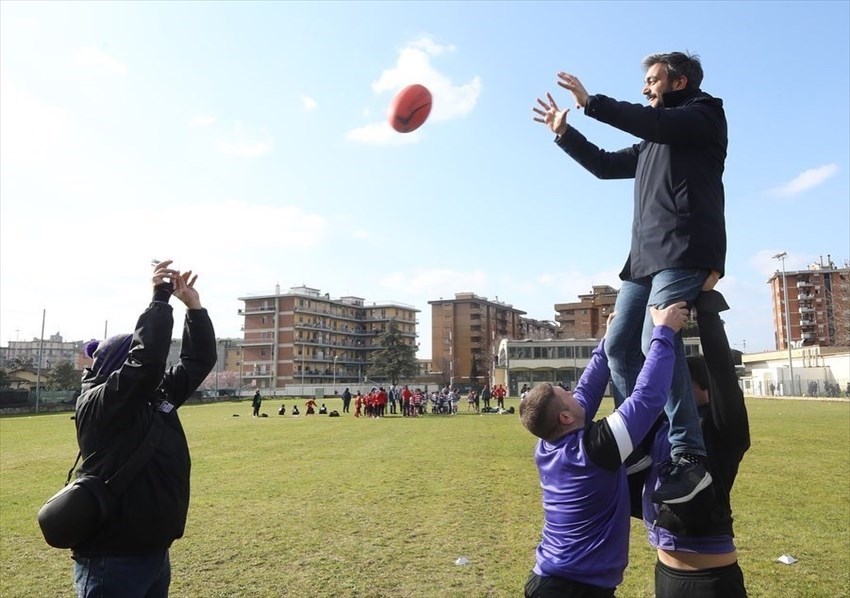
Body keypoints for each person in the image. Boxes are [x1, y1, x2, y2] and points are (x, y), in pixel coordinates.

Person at [533, 51, 727, 504]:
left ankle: (688, 454)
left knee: (653, 340)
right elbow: (603, 165)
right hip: (642, 260)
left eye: (653, 80)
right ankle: (636, 445)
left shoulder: (704, 114)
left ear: (678, 83)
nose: (645, 87)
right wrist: (565, 133)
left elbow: (653, 123)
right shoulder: (650, 145)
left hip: (683, 249)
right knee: (618, 345)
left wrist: (591, 101)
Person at [520, 303, 689, 597]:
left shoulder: (546, 444)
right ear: (565, 418)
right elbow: (647, 398)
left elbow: (588, 390)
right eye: (567, 395)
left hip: (552, 581)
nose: (575, 394)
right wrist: (663, 332)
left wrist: (607, 341)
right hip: (573, 590)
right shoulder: (596, 448)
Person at [72, 260, 216, 597]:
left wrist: (194, 309)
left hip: (153, 553)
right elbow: (147, 364)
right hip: (112, 560)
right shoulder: (99, 403)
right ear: (119, 366)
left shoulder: (155, 398)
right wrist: (159, 300)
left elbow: (197, 363)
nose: (158, 368)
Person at [638, 291, 750, 596]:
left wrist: (707, 310)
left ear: (704, 389)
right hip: (665, 573)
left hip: (711, 580)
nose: (675, 392)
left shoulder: (723, 427)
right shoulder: (667, 425)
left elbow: (722, 375)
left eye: (683, 384)